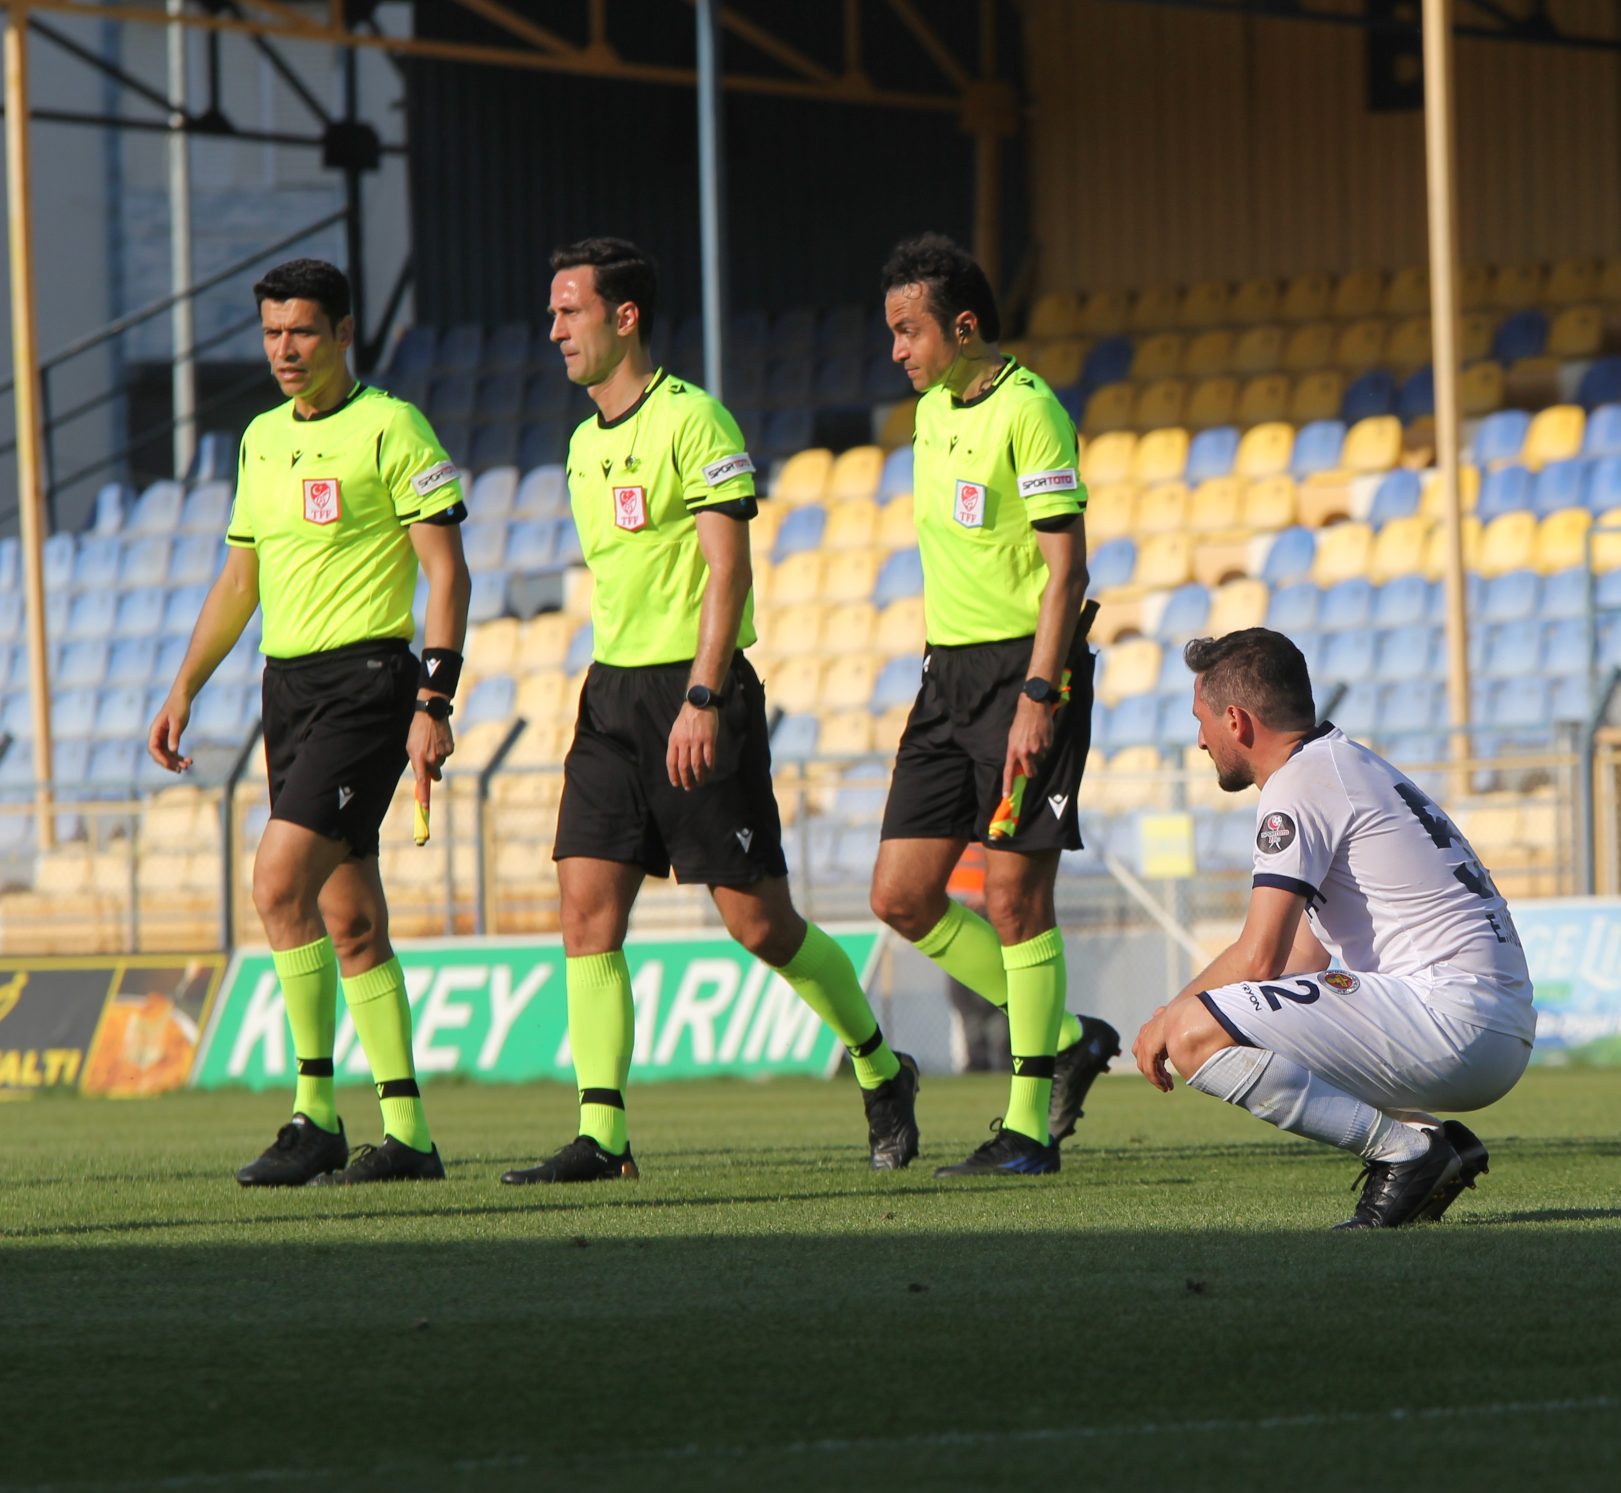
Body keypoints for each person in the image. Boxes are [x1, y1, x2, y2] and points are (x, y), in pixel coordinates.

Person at [506, 236, 919, 1184]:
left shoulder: (696, 421)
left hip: (697, 692)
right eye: (552, 314)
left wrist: (703, 694)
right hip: (611, 695)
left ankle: (880, 1066)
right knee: (584, 911)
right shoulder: (579, 443)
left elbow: (727, 568)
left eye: (570, 312)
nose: (555, 330)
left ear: (625, 318)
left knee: (761, 925)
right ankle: (603, 1137)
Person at [149, 257, 471, 1187]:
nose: (283, 350)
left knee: (277, 880)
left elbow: (446, 572)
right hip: (285, 690)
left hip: (369, 683)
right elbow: (240, 580)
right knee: (350, 918)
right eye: (270, 333)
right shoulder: (258, 439)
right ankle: (408, 1135)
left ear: (342, 334)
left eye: (301, 332)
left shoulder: (394, 426)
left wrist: (433, 701)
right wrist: (184, 687)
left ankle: (315, 1114)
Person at [1131, 630, 1530, 1228]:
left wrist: (1169, 1017)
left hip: (1452, 1017)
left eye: (1202, 720)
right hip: (1488, 1024)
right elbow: (1301, 958)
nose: (1199, 740)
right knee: (1220, 1017)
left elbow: (1258, 958)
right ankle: (1429, 1143)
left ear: (1236, 721)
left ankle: (1408, 1153)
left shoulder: (1300, 784)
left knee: (1194, 1032)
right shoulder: (1344, 764)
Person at [867, 233, 1117, 1178]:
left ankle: (1027, 1131)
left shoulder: (1032, 411)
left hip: (1027, 674)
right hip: (945, 682)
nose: (898, 350)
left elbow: (1067, 569)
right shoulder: (933, 413)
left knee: (1014, 898)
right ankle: (1067, 1036)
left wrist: (1038, 695)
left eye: (909, 330)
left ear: (963, 327)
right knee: (900, 894)